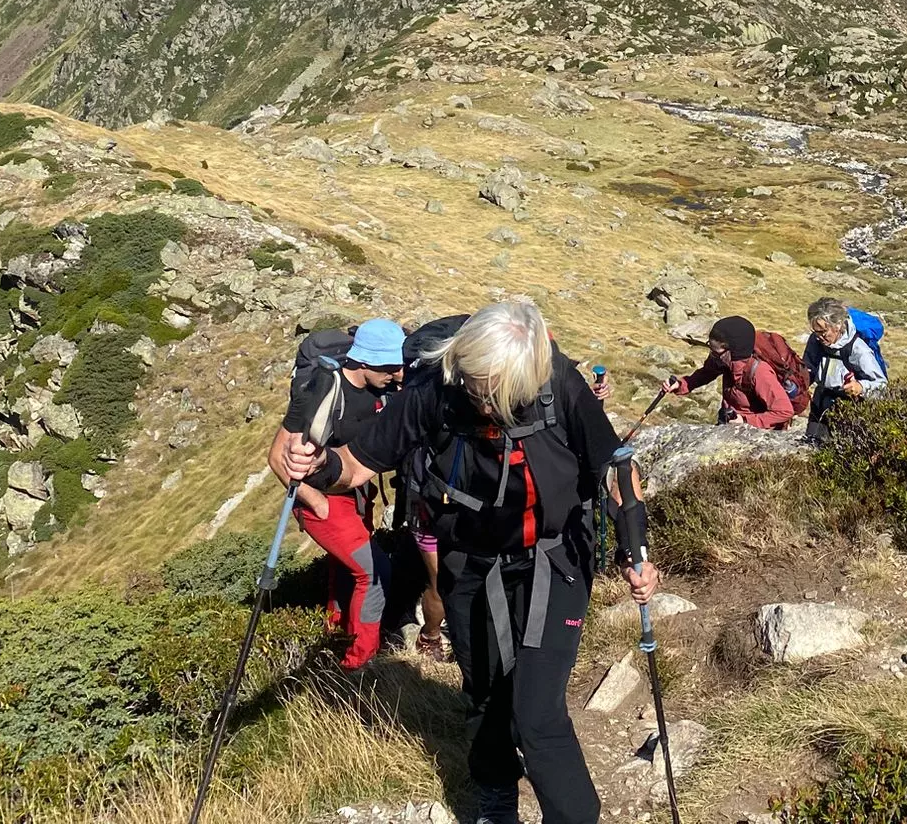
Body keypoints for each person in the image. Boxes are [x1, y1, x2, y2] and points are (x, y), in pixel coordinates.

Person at [272, 301, 657, 824]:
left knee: (536, 711)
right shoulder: (436, 390)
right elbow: (359, 465)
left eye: (494, 389)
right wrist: (320, 466)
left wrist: (638, 554)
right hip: (470, 561)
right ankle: (496, 795)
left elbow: (614, 467)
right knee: (484, 689)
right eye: (475, 384)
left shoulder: (558, 384)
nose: (482, 399)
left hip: (554, 556)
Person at [272, 317, 414, 669]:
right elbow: (277, 456)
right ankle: (359, 663)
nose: (397, 375)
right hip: (325, 500)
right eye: (389, 368)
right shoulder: (320, 391)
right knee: (374, 572)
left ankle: (336, 633)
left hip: (357, 493)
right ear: (363, 362)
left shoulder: (381, 388)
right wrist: (314, 500)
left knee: (345, 570)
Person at [660, 315, 797, 429]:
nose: (712, 354)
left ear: (734, 350)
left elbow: (784, 411)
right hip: (727, 422)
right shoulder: (722, 359)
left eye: (716, 350)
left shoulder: (760, 372)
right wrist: (680, 384)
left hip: (754, 433)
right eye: (711, 347)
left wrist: (745, 421)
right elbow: (705, 374)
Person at [802, 297, 886, 441]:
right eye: (815, 331)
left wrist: (860, 387)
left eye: (823, 332)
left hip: (849, 407)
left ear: (838, 325)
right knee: (812, 445)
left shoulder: (858, 349)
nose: (819, 337)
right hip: (820, 401)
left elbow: (881, 386)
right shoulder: (815, 340)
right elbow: (807, 369)